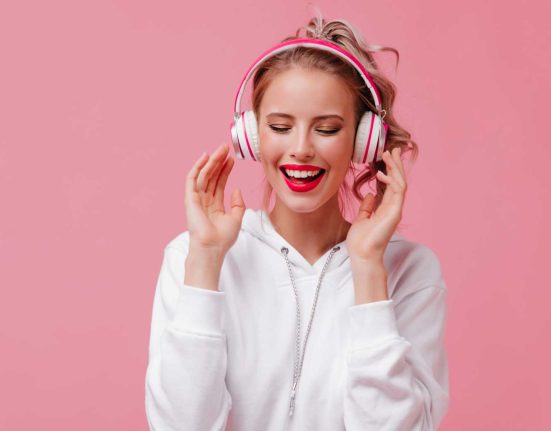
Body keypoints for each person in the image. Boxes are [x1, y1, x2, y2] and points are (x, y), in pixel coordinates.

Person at [145, 12, 449, 431]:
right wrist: (206, 261)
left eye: (327, 129)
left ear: (363, 141)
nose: (301, 148)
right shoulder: (191, 256)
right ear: (252, 136)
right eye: (280, 126)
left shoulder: (409, 270)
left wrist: (367, 270)